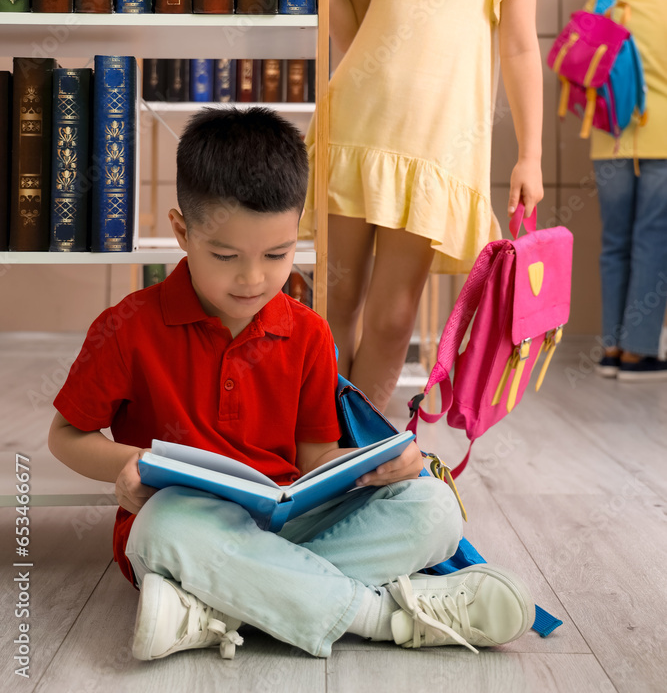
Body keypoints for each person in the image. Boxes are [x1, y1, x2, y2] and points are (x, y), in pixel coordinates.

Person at [47, 107, 536, 661]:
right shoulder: (129, 326)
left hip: (288, 525)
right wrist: (125, 468)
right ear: (182, 231)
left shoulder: (306, 332)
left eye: (277, 255)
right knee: (161, 526)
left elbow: (313, 458)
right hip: (185, 530)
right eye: (226, 256)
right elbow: (65, 434)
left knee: (434, 508)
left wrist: (379, 466)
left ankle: (215, 610)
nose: (252, 278)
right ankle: (389, 619)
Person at [300, 0, 566, 411]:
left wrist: (530, 154)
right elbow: (356, 29)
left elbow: (517, 51)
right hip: (355, 132)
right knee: (332, 302)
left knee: (393, 319)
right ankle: (320, 449)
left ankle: (356, 447)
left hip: (433, 153)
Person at [588, 0, 667, 381]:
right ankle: (639, 353)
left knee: (614, 242)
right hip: (661, 141)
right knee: (651, 241)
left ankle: (611, 350)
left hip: (609, 142)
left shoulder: (599, 3)